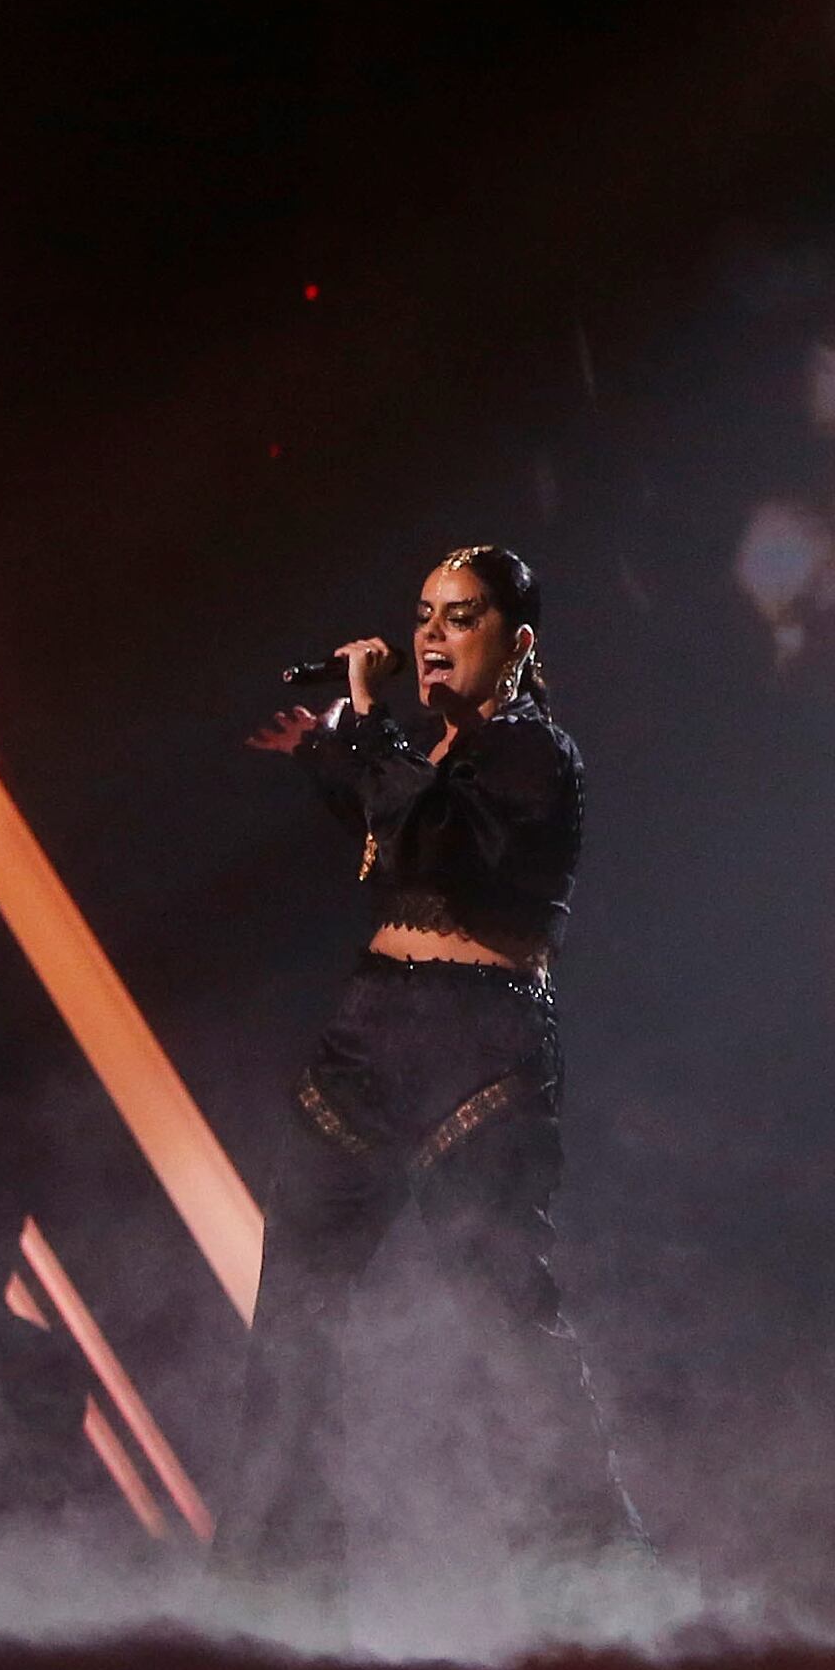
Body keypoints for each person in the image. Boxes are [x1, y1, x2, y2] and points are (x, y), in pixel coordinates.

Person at [228, 545, 639, 1599]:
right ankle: (272, 1598)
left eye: (460, 617)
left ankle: (590, 1593)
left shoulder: (532, 755)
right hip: (368, 1035)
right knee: (296, 1319)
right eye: (423, 615)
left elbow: (441, 836)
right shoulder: (422, 754)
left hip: (478, 1043)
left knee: (508, 1319)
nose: (430, 636)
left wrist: (358, 732)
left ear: (517, 641)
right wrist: (335, 750)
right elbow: (390, 827)